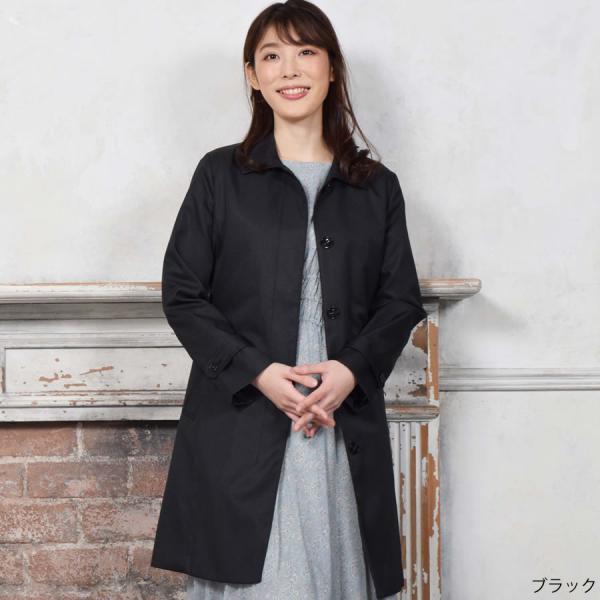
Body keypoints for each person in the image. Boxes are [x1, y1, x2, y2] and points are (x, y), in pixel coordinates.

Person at [151, 1, 428, 598]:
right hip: (245, 412)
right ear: (253, 76)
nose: (290, 69)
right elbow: (183, 293)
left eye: (306, 51)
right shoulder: (219, 175)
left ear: (332, 68)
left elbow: (400, 299)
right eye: (271, 56)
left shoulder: (376, 186)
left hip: (339, 413)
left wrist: (350, 371)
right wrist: (258, 372)